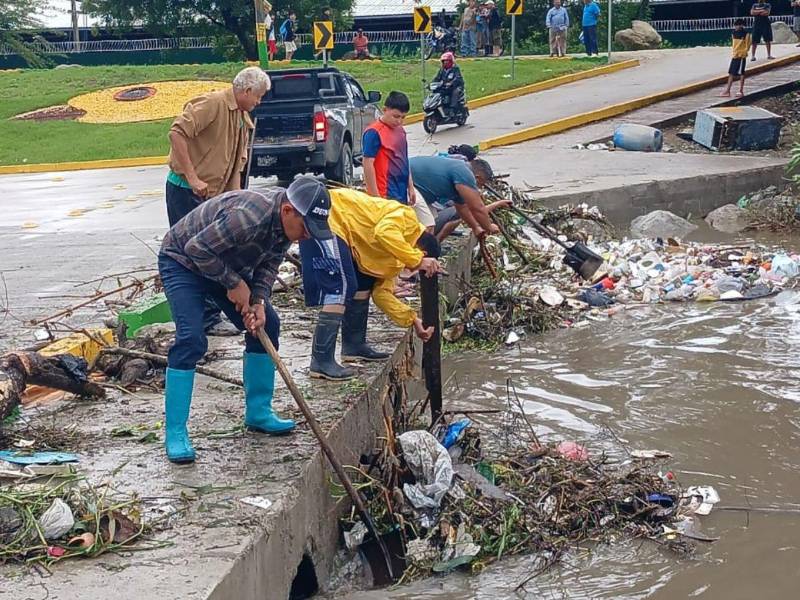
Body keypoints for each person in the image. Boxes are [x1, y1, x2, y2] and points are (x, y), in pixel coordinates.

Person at [157, 178, 334, 464]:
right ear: (288, 210)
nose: (306, 236)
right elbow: (196, 248)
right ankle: (175, 431)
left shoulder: (286, 224)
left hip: (224, 264)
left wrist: (258, 300)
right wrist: (234, 284)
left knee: (268, 325)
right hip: (183, 262)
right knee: (191, 339)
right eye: (305, 228)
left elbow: (269, 264)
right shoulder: (248, 217)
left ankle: (258, 412)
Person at [166, 66, 269, 336]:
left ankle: (215, 314)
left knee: (221, 250)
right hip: (186, 192)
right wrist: (192, 177)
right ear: (246, 91)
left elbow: (236, 164)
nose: (258, 103)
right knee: (194, 254)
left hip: (214, 199)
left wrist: (235, 200)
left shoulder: (242, 117)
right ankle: (205, 319)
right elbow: (177, 132)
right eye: (257, 97)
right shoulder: (212, 104)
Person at [299, 189, 443, 380]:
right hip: (330, 218)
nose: (412, 270)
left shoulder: (397, 257)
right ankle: (321, 362)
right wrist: (416, 260)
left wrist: (413, 320)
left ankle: (354, 346)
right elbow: (383, 232)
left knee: (363, 282)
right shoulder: (406, 218)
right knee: (340, 288)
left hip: (349, 238)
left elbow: (381, 294)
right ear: (422, 252)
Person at [409, 155, 501, 242]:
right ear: (477, 178)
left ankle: (428, 251)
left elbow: (462, 208)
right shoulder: (465, 173)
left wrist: (475, 227)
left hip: (416, 187)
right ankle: (417, 256)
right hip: (405, 183)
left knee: (432, 221)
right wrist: (489, 227)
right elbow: (477, 208)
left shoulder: (460, 169)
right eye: (480, 184)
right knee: (428, 226)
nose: (479, 188)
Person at [362, 92, 416, 207]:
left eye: (403, 117)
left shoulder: (400, 130)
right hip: (384, 192)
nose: (399, 121)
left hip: (401, 190)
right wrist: (375, 197)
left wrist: (410, 187)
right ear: (385, 110)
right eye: (396, 116)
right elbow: (367, 164)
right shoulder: (374, 132)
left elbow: (405, 160)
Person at [721, 19, 751, 98]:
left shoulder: (746, 34)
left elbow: (748, 45)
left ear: (741, 25)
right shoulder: (733, 33)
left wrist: (743, 53)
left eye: (737, 25)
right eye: (735, 25)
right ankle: (727, 91)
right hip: (735, 55)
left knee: (741, 73)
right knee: (731, 73)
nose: (736, 27)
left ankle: (741, 91)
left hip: (741, 56)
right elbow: (734, 44)